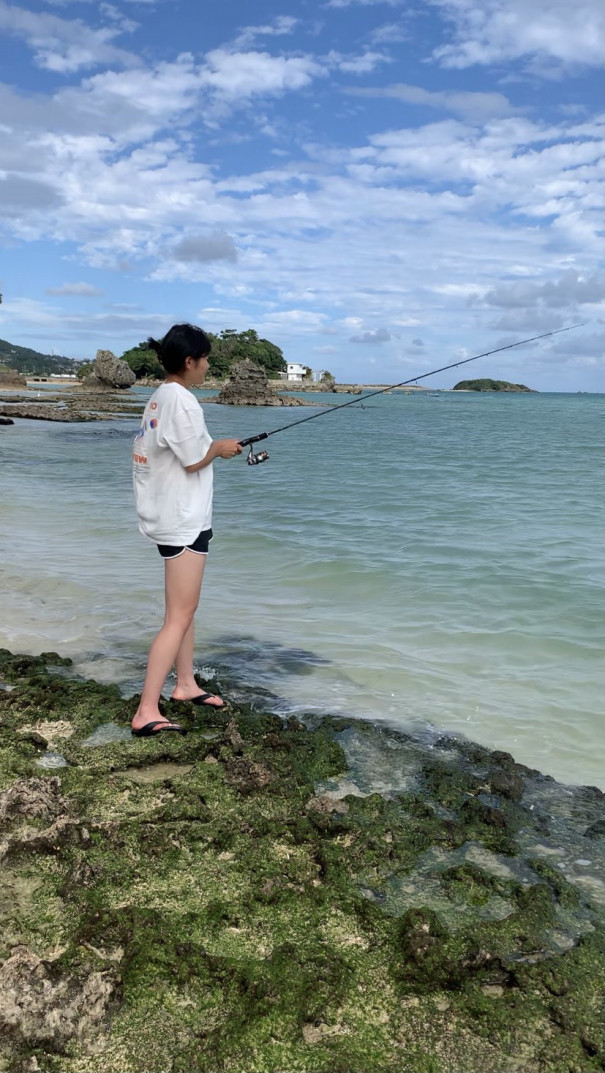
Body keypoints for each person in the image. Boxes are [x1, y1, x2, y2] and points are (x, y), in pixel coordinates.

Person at [131, 323, 242, 736]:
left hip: (170, 517)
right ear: (189, 362)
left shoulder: (160, 397)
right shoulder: (183, 401)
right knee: (178, 615)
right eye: (206, 359)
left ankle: (185, 684)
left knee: (184, 609)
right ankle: (146, 710)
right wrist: (220, 448)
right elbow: (195, 458)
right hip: (183, 522)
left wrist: (211, 450)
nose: (208, 366)